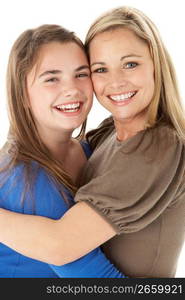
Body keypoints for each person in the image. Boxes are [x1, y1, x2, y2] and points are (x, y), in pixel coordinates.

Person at [0, 6, 185, 278]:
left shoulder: (153, 146)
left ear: (157, 64)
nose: (116, 82)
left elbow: (63, 246)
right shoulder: (105, 136)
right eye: (100, 69)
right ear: (22, 93)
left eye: (130, 64)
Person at [0, 24, 126, 278]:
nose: (72, 89)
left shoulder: (88, 149)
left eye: (81, 74)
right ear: (22, 93)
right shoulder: (26, 178)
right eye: (51, 78)